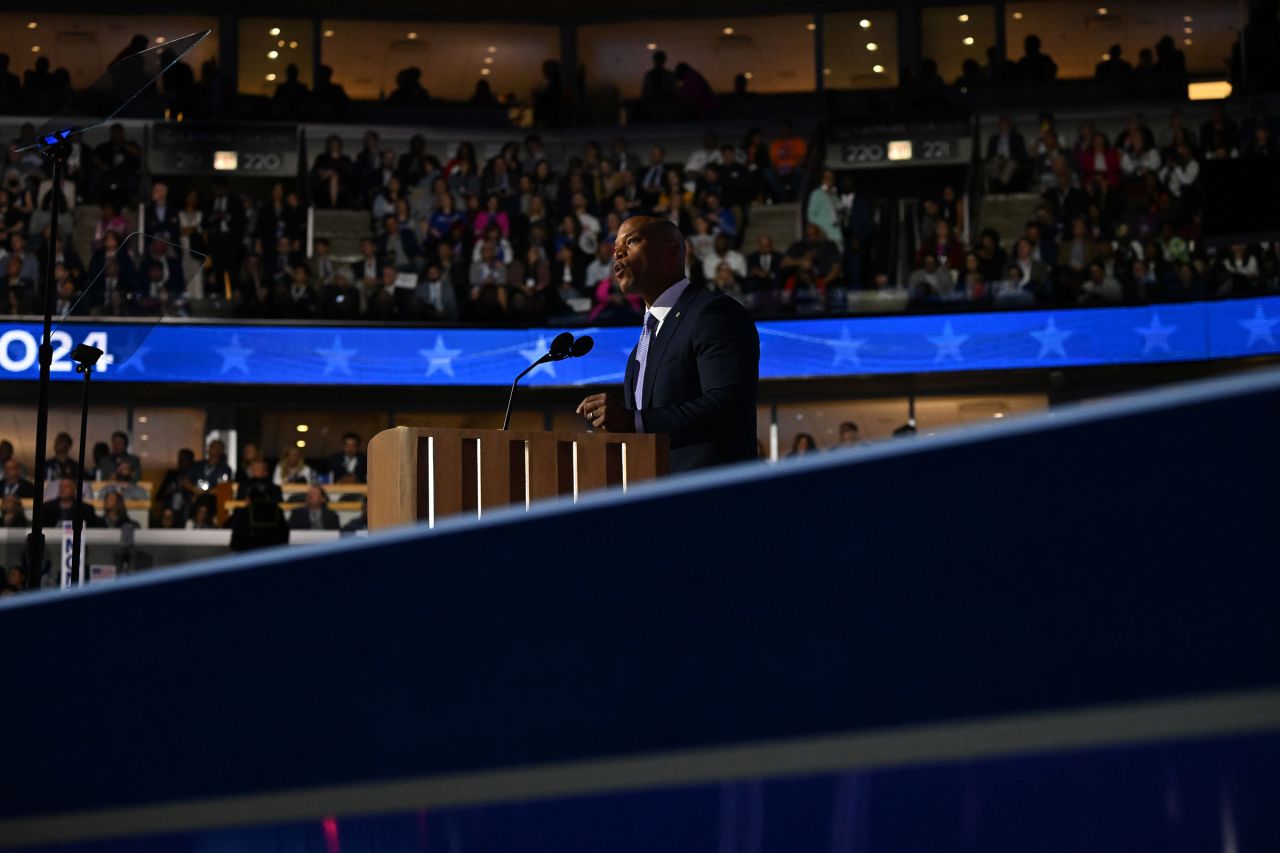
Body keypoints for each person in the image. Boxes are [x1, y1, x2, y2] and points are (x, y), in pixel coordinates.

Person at [574, 216, 759, 473]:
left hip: (710, 498)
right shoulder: (640, 349)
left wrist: (634, 421)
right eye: (615, 245)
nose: (617, 252)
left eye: (632, 241)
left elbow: (728, 406)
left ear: (670, 251)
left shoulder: (714, 313)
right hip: (655, 498)